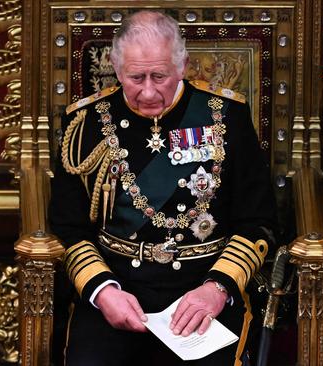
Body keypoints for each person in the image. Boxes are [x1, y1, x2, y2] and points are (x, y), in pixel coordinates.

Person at [49, 10, 277, 366]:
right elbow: (68, 226)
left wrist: (217, 289)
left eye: (160, 75)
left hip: (202, 289)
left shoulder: (226, 116)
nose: (148, 91)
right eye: (135, 77)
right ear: (115, 66)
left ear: (183, 65)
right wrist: (101, 290)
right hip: (117, 289)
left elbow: (257, 221)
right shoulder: (86, 123)